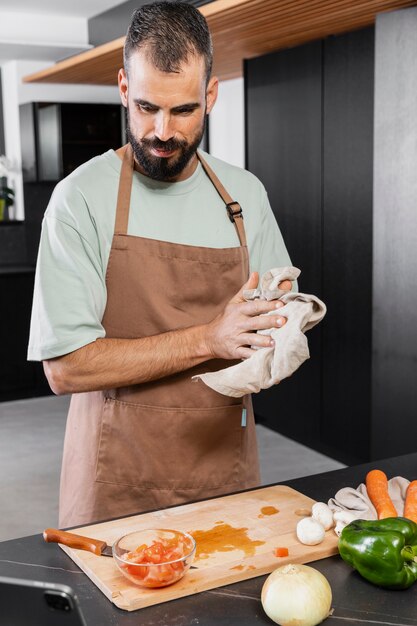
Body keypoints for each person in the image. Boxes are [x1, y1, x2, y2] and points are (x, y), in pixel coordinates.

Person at [28, 1, 296, 529]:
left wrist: (285, 332)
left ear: (211, 96)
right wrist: (208, 339)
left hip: (223, 467)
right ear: (124, 88)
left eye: (183, 111)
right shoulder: (80, 198)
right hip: (115, 476)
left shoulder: (243, 196)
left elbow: (274, 318)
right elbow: (65, 368)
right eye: (147, 106)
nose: (162, 131)